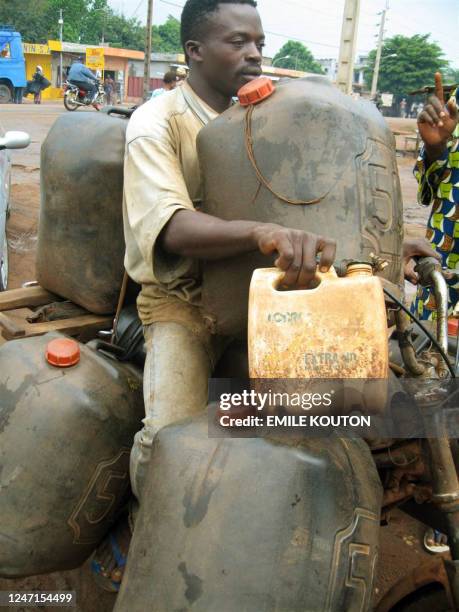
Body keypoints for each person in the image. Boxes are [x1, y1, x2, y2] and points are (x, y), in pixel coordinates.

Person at [92, 0, 437, 590]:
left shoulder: (271, 117)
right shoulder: (159, 122)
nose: (254, 54)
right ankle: (152, 533)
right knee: (171, 431)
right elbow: (170, 226)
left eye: (258, 42)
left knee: (379, 393)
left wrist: (392, 241)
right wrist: (261, 232)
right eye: (236, 42)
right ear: (195, 52)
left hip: (274, 296)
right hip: (186, 302)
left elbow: (311, 200)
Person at [411, 72, 458, 321]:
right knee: (429, 351)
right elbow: (427, 192)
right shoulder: (452, 108)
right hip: (444, 274)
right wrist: (435, 147)